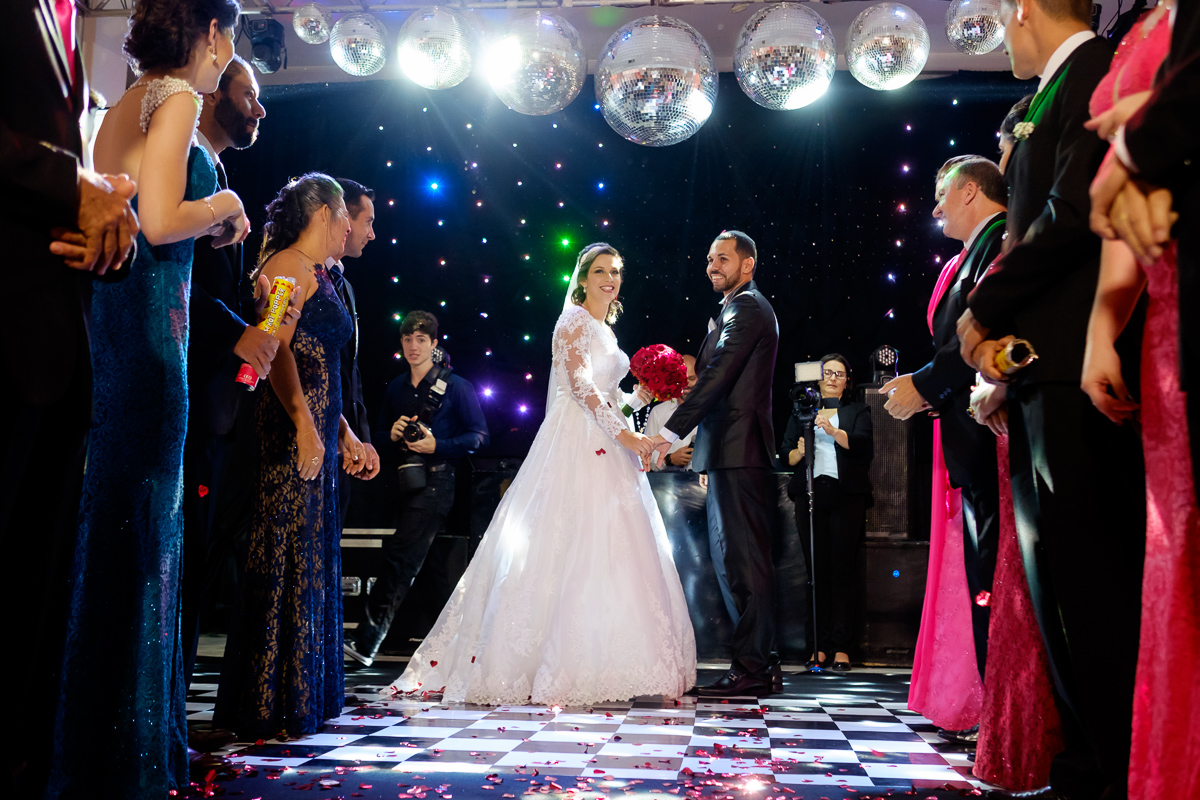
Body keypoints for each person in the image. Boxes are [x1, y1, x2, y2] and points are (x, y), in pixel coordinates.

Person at [48, 1, 248, 796]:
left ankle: (87, 740)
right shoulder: (182, 101)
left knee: (110, 537)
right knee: (146, 543)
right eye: (230, 34)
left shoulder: (124, 103)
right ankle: (129, 756)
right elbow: (162, 221)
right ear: (210, 34)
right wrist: (225, 208)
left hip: (109, 331)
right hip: (155, 345)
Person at [956, 0, 1146, 796]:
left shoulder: (1093, 73)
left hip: (1078, 373)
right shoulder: (1052, 90)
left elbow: (1070, 217)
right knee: (1055, 588)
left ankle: (1112, 768)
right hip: (1038, 374)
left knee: (1094, 585)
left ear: (1022, 8)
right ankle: (1084, 765)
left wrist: (983, 310)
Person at [386, 243, 695, 705]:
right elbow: (581, 388)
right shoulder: (571, 321)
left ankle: (615, 659)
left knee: (613, 546)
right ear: (583, 278)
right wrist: (625, 435)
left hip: (605, 441)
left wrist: (638, 401)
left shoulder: (605, 330)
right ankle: (550, 663)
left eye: (616, 272)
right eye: (600, 271)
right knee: (565, 542)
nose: (609, 279)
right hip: (575, 442)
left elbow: (608, 397)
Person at [1, 2, 139, 795]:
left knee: (32, 597)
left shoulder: (74, 21)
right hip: (7, 335)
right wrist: (71, 185)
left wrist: (105, 235)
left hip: (56, 343)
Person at [1081, 5, 1199, 799]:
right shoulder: (1149, 27)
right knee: (1176, 541)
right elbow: (1109, 205)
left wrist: (1139, 134)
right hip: (1161, 310)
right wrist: (1101, 322)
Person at [214, 173, 363, 740]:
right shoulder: (283, 268)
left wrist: (342, 430)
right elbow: (275, 351)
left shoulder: (317, 272)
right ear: (323, 211)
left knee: (310, 555)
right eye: (345, 214)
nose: (351, 225)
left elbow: (319, 358)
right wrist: (304, 423)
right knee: (283, 554)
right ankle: (267, 701)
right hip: (287, 434)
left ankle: (303, 695)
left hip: (321, 430)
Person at [886, 155, 1007, 736]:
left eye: (941, 195)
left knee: (994, 580)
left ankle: (1001, 713)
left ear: (967, 192)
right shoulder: (971, 255)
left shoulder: (998, 243)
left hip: (990, 440)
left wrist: (925, 385)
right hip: (967, 435)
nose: (934, 210)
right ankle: (993, 709)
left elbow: (977, 335)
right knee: (985, 575)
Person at [970, 99, 1064, 795]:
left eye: (1011, 147)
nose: (1007, 162)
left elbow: (1030, 300)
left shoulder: (1013, 230)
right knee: (1019, 582)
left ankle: (1053, 742)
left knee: (1046, 586)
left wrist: (993, 370)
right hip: (1005, 402)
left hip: (1030, 395)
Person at [649, 231, 781, 698]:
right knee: (735, 562)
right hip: (728, 451)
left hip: (739, 450)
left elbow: (721, 374)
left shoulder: (746, 307)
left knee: (743, 563)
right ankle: (758, 663)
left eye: (722, 258)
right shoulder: (735, 308)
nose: (712, 265)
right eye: (709, 258)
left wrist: (666, 434)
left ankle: (752, 670)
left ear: (748, 265)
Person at [181, 53, 271, 695]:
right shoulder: (190, 165)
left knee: (196, 561)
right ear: (214, 95)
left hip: (213, 400)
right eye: (248, 94)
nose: (260, 108)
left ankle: (170, 703)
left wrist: (256, 301)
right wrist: (238, 329)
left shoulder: (215, 171)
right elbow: (177, 284)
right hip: (185, 387)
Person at [343, 311, 489, 666]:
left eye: (421, 339)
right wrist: (389, 436)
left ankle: (367, 640)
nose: (413, 346)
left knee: (401, 558)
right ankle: (465, 646)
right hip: (402, 482)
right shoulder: (395, 387)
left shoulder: (457, 387)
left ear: (434, 344)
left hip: (438, 481)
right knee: (430, 570)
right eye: (407, 339)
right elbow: (376, 437)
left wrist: (437, 445)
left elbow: (479, 436)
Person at [779, 355, 873, 673]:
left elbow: (863, 447)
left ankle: (842, 647)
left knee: (842, 573)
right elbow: (786, 453)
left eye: (839, 373)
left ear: (847, 380)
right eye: (827, 372)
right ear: (818, 379)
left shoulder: (857, 411)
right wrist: (799, 452)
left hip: (846, 496)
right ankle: (817, 647)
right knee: (815, 574)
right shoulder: (802, 411)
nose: (832, 377)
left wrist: (832, 431)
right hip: (810, 495)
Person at [329, 178, 383, 524]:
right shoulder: (296, 269)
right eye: (369, 222)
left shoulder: (344, 284)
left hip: (341, 439)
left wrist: (360, 438)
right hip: (312, 430)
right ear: (343, 218)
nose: (373, 234)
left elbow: (351, 371)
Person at [645, 354, 698, 470]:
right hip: (666, 483)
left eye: (692, 378)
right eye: (683, 379)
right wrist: (669, 459)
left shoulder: (711, 411)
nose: (687, 384)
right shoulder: (658, 412)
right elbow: (647, 456)